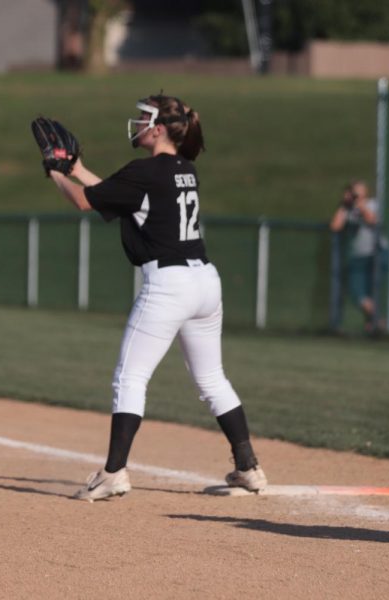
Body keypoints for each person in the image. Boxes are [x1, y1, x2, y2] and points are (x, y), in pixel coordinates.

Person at [45, 94, 267, 501]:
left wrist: (54, 173)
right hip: (204, 282)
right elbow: (116, 196)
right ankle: (248, 467)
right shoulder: (184, 169)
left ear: (160, 129)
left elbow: (83, 201)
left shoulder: (145, 172)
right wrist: (75, 168)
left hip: (169, 285)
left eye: (144, 119)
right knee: (212, 379)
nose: (138, 124)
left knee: (130, 378)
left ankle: (113, 472)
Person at [329, 180, 387, 334]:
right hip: (358, 257)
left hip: (376, 254)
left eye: (358, 194)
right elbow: (335, 226)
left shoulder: (373, 204)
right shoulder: (347, 209)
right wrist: (344, 205)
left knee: (373, 291)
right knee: (357, 292)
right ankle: (378, 322)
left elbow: (372, 220)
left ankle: (374, 324)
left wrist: (360, 205)